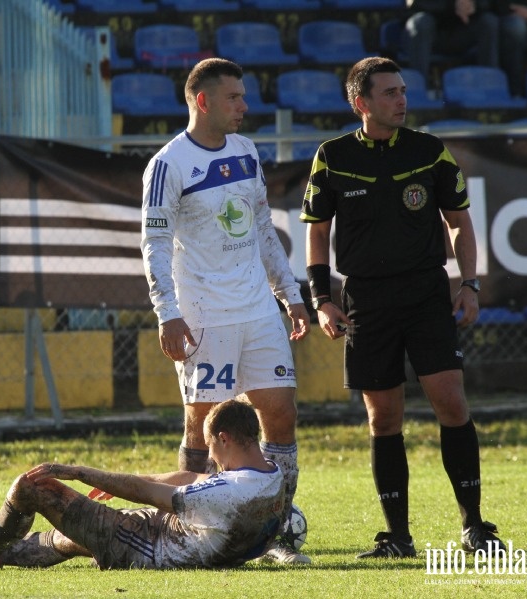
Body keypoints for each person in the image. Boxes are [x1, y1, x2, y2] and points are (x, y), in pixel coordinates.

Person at [300, 56, 506, 559]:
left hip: (425, 294)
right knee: (383, 418)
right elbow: (318, 232)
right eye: (389, 92)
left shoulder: (430, 152)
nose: (401, 100)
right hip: (365, 299)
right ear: (360, 102)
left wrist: (470, 285)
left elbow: (459, 222)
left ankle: (475, 527)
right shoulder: (331, 156)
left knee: (452, 404)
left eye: (403, 91)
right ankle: (398, 538)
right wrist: (321, 300)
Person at [139, 57, 310, 565]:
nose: (244, 106)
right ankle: (190, 526)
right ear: (202, 100)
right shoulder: (168, 164)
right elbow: (154, 243)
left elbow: (262, 230)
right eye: (234, 97)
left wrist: (290, 294)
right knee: (203, 427)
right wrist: (167, 312)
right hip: (203, 316)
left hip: (258, 309)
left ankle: (273, 531)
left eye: (244, 95)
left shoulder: (246, 151)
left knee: (280, 414)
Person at [0, 399, 288, 570]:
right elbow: (192, 478)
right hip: (166, 533)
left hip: (144, 548)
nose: (212, 458)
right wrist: (127, 481)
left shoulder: (228, 493)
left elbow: (151, 494)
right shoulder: (271, 474)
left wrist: (80, 472)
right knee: (70, 538)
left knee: (32, 487)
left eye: (211, 447)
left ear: (224, 438)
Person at [404, 0, 501, 88]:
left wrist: (473, 4)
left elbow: (492, 4)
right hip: (432, 33)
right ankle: (417, 88)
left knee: (489, 22)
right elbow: (414, 3)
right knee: (420, 22)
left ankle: (490, 88)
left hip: (465, 31)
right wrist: (453, 4)